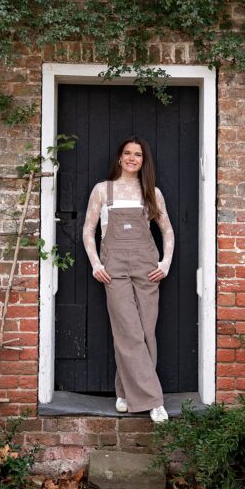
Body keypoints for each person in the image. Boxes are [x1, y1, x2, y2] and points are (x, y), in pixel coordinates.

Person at [82, 136, 174, 423]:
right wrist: (96, 264)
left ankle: (125, 391)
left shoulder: (152, 193)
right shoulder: (103, 190)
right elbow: (88, 230)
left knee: (146, 332)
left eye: (138, 154)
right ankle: (154, 400)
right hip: (114, 267)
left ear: (143, 161)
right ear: (120, 158)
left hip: (147, 266)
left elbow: (167, 231)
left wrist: (166, 263)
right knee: (128, 331)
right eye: (127, 153)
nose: (132, 158)